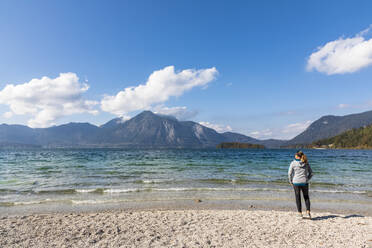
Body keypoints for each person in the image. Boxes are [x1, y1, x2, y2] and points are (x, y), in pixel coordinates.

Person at [288, 150, 313, 219]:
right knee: (306, 197)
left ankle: (300, 214)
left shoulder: (293, 163)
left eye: (295, 154)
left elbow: (289, 173)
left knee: (297, 197)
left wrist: (290, 181)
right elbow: (311, 173)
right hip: (304, 182)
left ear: (297, 155)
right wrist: (307, 179)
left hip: (296, 182)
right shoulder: (306, 163)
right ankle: (308, 213)